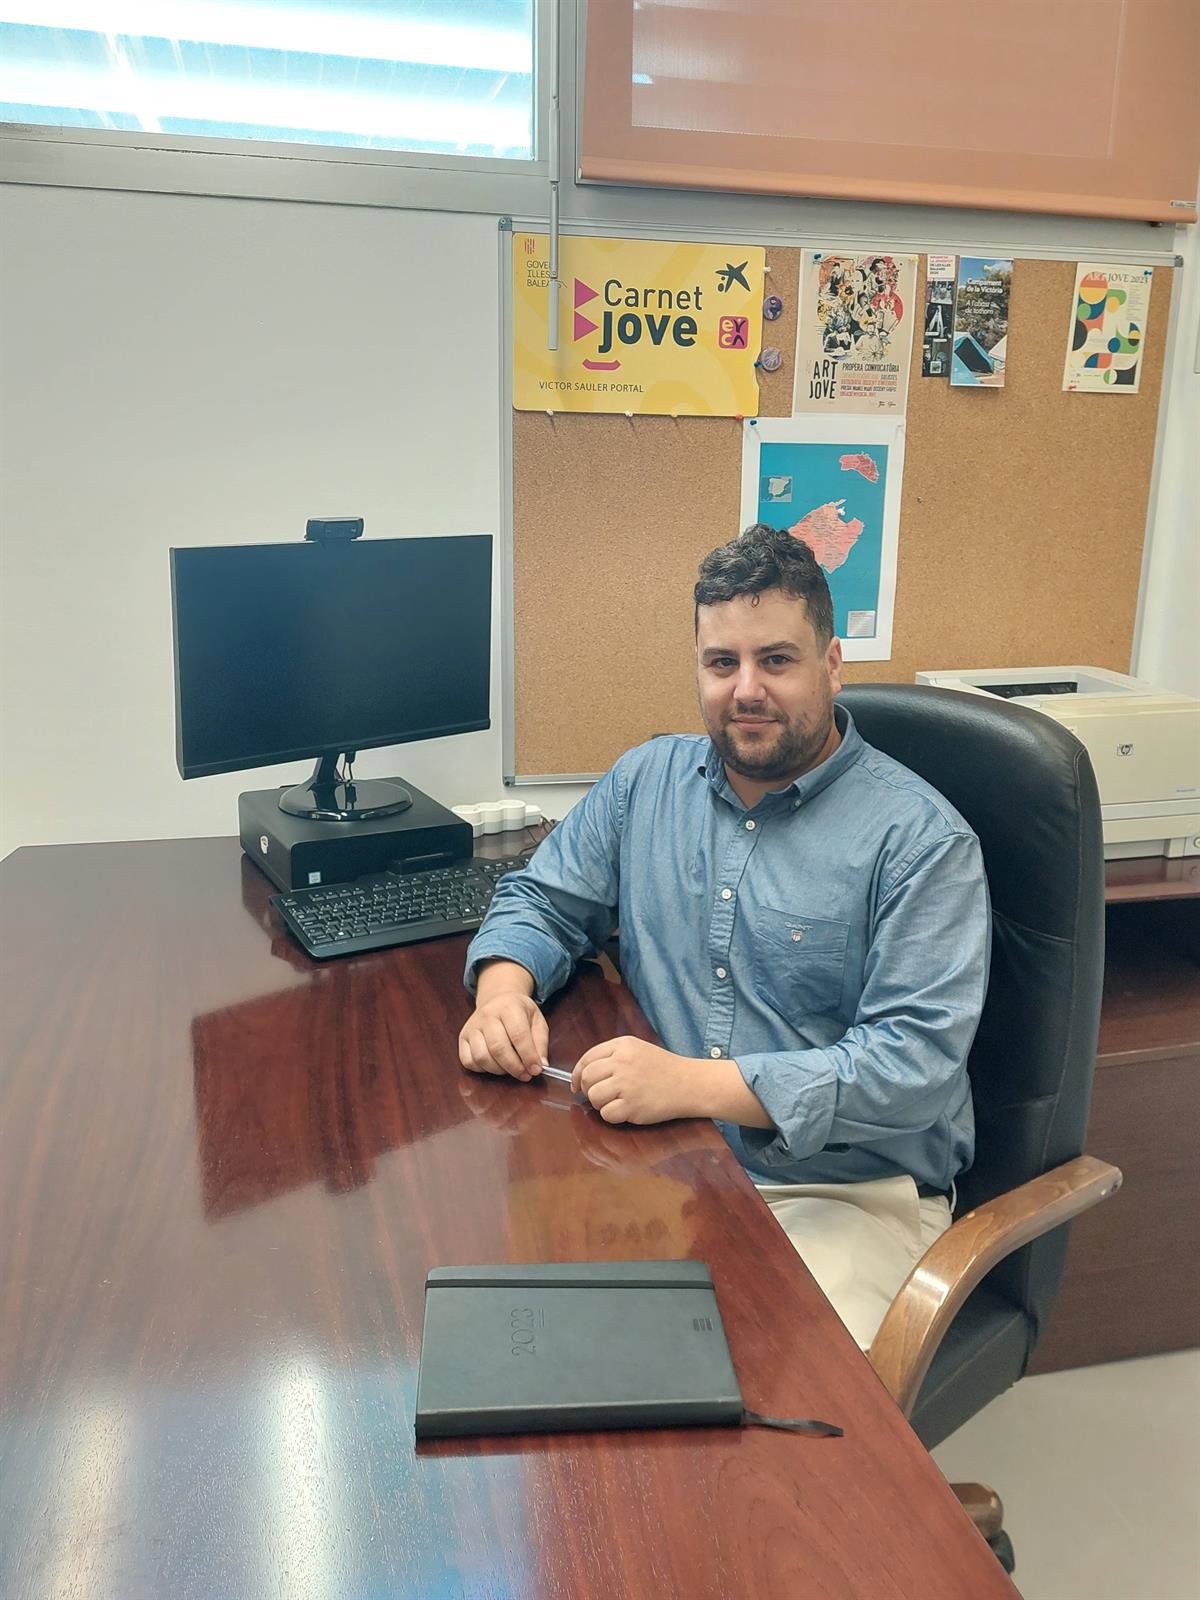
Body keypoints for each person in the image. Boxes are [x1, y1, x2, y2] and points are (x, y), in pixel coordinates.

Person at [458, 523, 991, 1350]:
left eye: (776, 660)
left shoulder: (922, 842)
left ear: (832, 663)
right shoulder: (645, 782)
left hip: (841, 1193)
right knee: (525, 1336)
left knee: (771, 1398)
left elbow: (910, 1068)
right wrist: (502, 993)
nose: (746, 689)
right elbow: (542, 898)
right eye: (721, 663)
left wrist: (693, 1085)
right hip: (665, 1159)